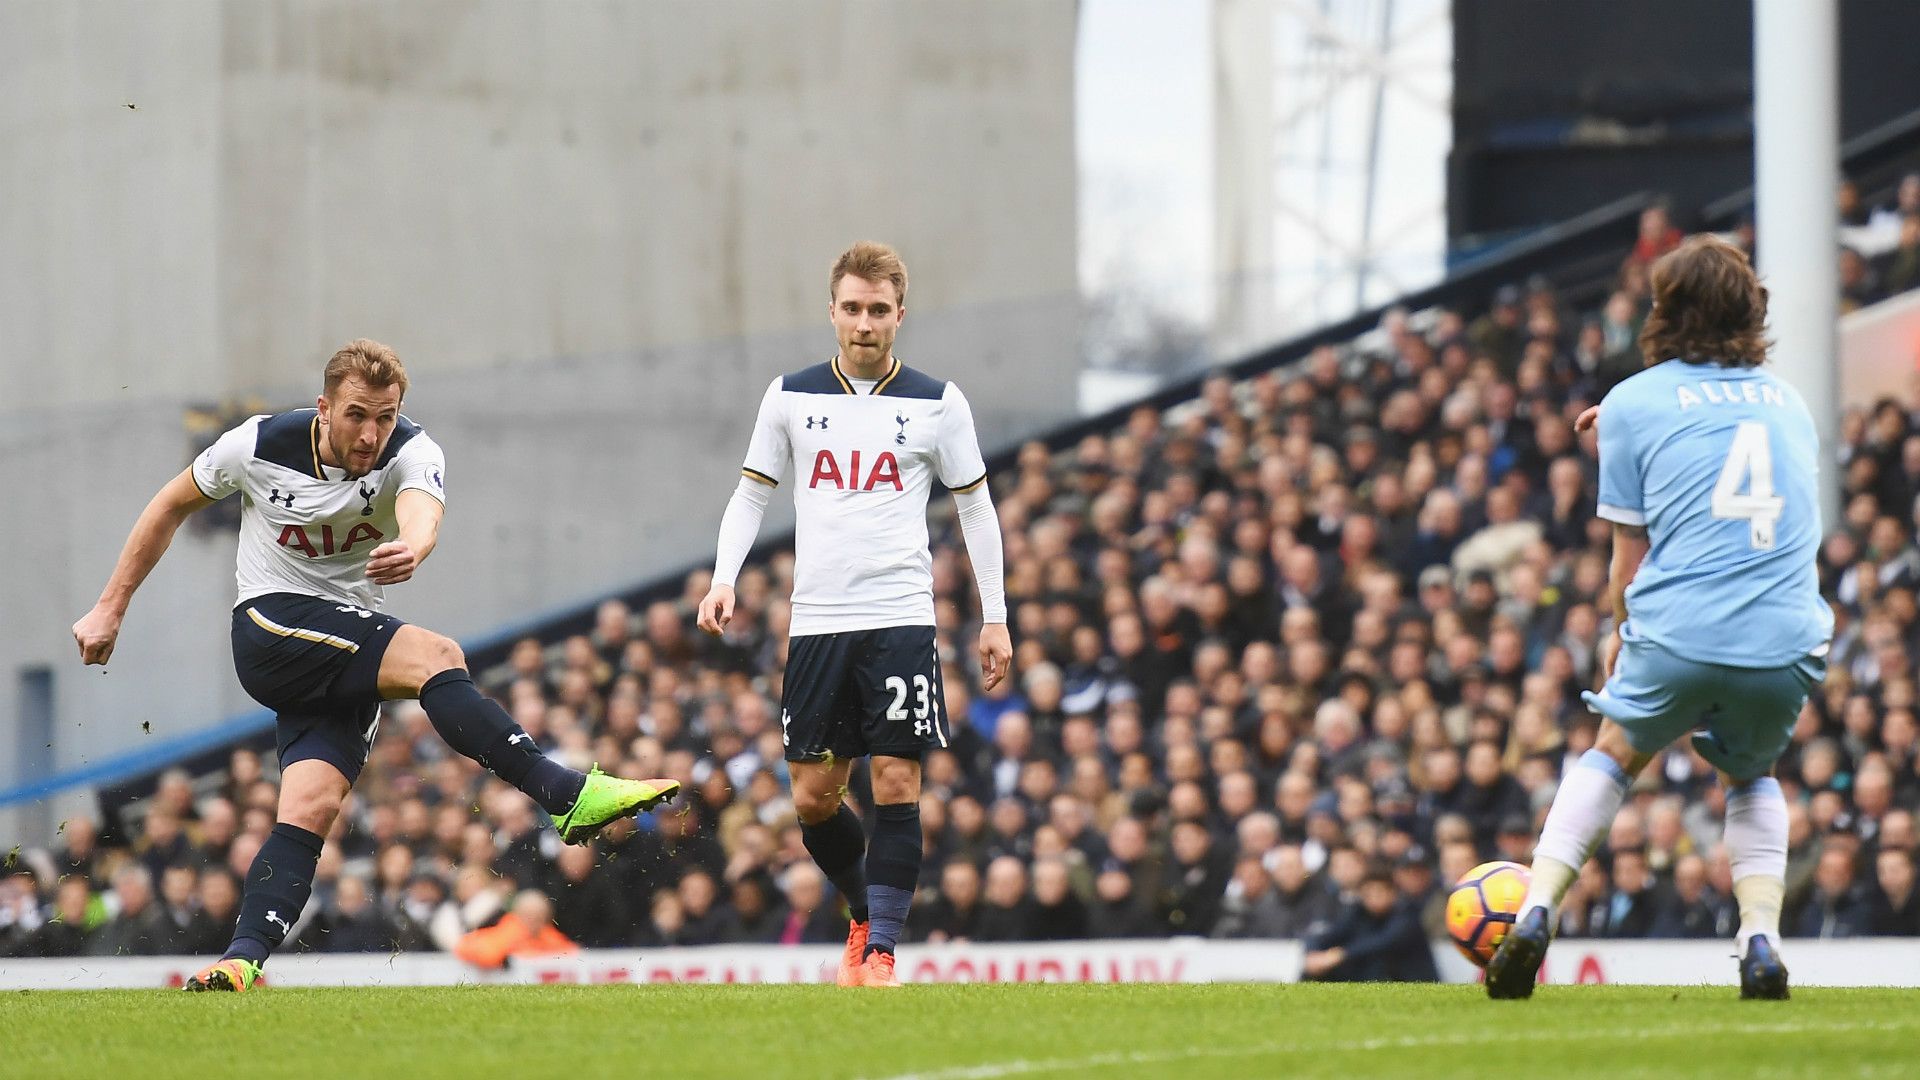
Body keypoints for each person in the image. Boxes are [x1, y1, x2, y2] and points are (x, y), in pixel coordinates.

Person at [71, 340, 679, 992]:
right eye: (357, 414)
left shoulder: (412, 451)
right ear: (325, 407)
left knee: (311, 807)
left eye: (384, 416)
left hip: (342, 652)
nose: (370, 433)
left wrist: (413, 545)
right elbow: (169, 505)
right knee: (438, 657)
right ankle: (566, 795)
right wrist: (110, 607)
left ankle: (240, 959)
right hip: (270, 629)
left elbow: (424, 512)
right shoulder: (256, 444)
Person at [1488, 237, 1833, 1000]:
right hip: (1786, 636)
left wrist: (1620, 636)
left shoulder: (1634, 402)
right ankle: (1761, 939)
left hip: (1681, 630)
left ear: (1663, 311)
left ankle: (1536, 911)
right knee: (1752, 775)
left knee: (1613, 753)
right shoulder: (1791, 399)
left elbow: (1626, 564)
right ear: (1752, 310)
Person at [697, 242, 1011, 988]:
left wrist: (994, 616)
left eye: (879, 310)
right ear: (831, 312)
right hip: (817, 621)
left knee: (898, 783)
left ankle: (881, 954)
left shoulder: (939, 403)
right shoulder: (791, 397)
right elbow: (751, 494)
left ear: (900, 314)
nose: (865, 322)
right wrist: (723, 579)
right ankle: (862, 911)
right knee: (813, 797)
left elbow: (977, 508)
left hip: (900, 614)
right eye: (852, 308)